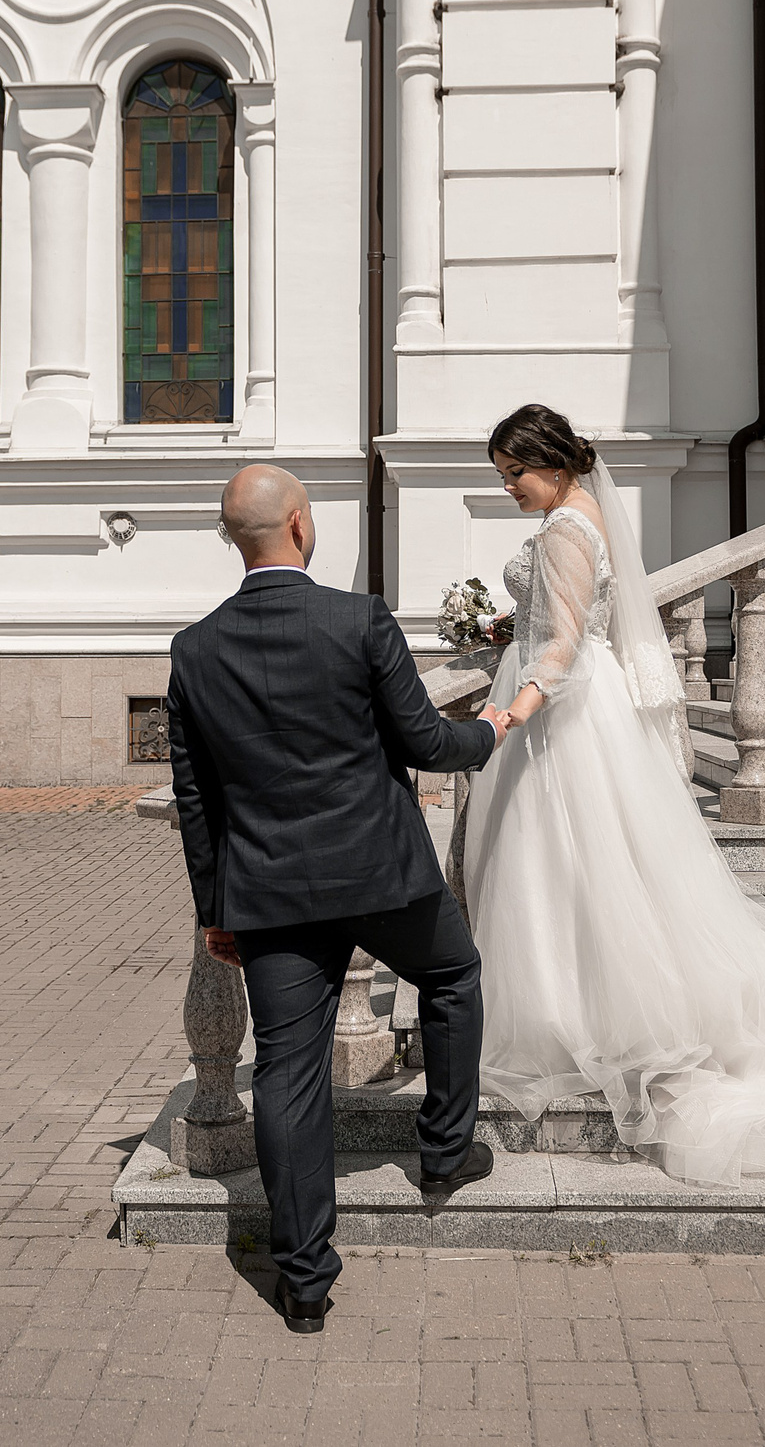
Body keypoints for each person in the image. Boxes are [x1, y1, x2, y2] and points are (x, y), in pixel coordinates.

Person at [462, 404, 765, 1187]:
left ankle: (571, 1017)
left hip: (562, 708)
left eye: (516, 473)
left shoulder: (568, 528)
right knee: (582, 865)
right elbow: (565, 616)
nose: (509, 487)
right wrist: (508, 630)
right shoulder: (585, 513)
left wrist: (508, 713)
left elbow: (567, 645)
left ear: (554, 462)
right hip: (572, 694)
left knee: (569, 859)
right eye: (504, 476)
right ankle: (571, 1005)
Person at [165, 464, 510, 1334]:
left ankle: (305, 1282)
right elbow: (428, 740)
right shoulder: (358, 618)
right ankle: (443, 1152)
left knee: (287, 1072)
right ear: (301, 526)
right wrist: (496, 727)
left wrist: (216, 910)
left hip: (270, 893)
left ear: (232, 539)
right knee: (456, 973)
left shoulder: (194, 649)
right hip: (381, 876)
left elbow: (195, 797)